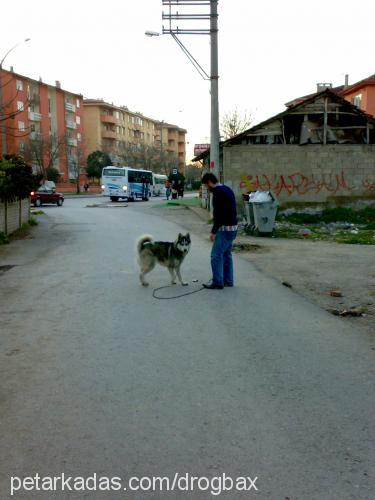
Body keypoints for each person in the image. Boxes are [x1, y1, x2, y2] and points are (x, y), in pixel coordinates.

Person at [201, 173, 238, 289]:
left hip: (225, 229)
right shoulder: (226, 189)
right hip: (233, 228)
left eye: (206, 186)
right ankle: (228, 280)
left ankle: (217, 282)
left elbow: (219, 215)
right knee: (226, 254)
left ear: (209, 182)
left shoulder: (218, 193)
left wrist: (213, 231)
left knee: (216, 255)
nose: (207, 188)